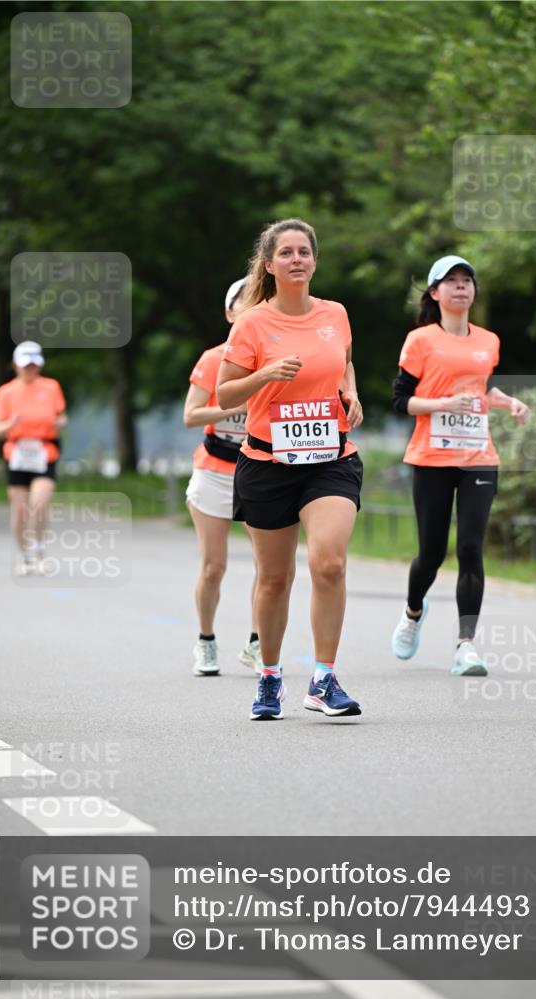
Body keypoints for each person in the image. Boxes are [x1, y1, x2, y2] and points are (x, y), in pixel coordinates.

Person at [217, 218, 364, 721]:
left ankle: (324, 678)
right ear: (269, 264)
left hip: (331, 458)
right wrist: (264, 374)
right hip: (267, 462)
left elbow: (343, 360)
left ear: (314, 261)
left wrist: (352, 392)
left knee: (329, 562)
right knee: (275, 578)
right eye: (286, 253)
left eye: (305, 251)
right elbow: (225, 394)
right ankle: (271, 677)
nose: (297, 259)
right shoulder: (253, 323)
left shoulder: (335, 314)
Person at [391, 255, 529, 675]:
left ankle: (465, 644)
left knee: (470, 548)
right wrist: (442, 404)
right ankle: (413, 612)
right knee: (431, 553)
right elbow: (401, 401)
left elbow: (481, 389)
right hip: (432, 457)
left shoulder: (488, 341)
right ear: (435, 292)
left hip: (478, 458)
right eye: (450, 281)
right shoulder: (420, 340)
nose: (461, 287)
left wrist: (508, 402)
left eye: (467, 280)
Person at [183, 279, 261, 677]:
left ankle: (257, 643)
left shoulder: (272, 358)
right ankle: (206, 641)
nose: (252, 308)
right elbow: (191, 415)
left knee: (270, 566)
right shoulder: (214, 359)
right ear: (230, 314)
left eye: (260, 301)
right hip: (215, 471)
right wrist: (231, 405)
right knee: (214, 566)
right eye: (244, 303)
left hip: (260, 469)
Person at [0, 341, 67, 575]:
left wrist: (60, 422)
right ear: (15, 365)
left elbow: (62, 417)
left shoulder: (51, 387)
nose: (30, 370)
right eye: (25, 365)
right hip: (17, 454)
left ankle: (40, 551)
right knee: (20, 508)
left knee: (39, 502)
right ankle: (25, 555)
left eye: (34, 365)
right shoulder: (6, 392)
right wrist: (10, 424)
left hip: (44, 452)